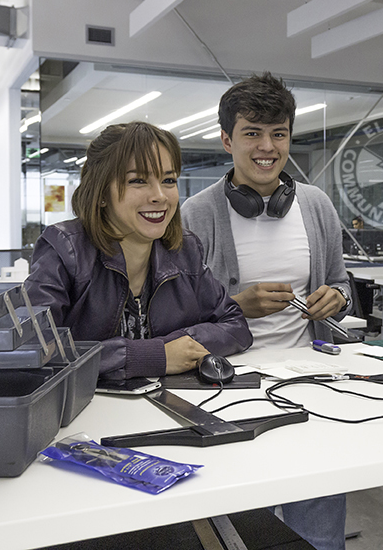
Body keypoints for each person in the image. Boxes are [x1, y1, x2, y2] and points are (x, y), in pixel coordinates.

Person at [181, 72, 352, 550]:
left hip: (310, 388)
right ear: (227, 140)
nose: (267, 147)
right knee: (245, 532)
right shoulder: (196, 214)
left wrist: (336, 299)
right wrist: (236, 308)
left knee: (318, 533)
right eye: (252, 133)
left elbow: (341, 285)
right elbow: (175, 320)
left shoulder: (316, 205)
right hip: (228, 392)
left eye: (278, 133)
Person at [26, 121, 252, 380]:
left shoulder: (185, 250)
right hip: (88, 404)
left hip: (169, 400)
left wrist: (181, 344)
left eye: (168, 180)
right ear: (101, 193)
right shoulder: (65, 250)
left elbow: (235, 325)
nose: (160, 196)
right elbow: (33, 350)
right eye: (138, 181)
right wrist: (153, 355)